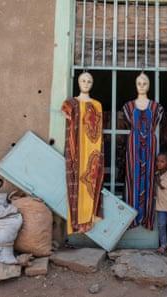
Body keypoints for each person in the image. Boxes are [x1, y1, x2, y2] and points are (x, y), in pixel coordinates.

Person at [61, 71, 104, 234]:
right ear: (78, 83)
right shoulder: (70, 104)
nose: (86, 83)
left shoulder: (97, 105)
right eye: (83, 80)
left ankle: (89, 218)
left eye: (89, 81)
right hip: (77, 148)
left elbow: (98, 130)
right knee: (75, 182)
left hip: (93, 149)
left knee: (91, 182)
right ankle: (76, 221)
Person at [122, 72, 164, 230]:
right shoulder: (128, 107)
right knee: (133, 178)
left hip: (149, 146)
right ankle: (132, 218)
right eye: (139, 83)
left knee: (148, 178)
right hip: (134, 145)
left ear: (149, 85)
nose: (141, 86)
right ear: (135, 84)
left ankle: (146, 217)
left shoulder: (156, 108)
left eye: (144, 83)